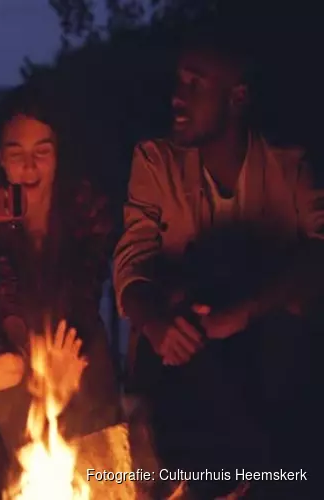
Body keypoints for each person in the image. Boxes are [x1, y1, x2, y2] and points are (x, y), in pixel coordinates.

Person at [113, 24, 321, 498]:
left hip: (265, 359)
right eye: (177, 82)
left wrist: (239, 314)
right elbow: (132, 261)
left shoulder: (289, 165)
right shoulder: (155, 161)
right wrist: (156, 323)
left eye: (195, 83)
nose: (176, 97)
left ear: (237, 96)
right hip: (179, 356)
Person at [0, 81, 122, 455]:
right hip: (12, 335)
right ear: (0, 157)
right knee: (0, 384)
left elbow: (85, 285)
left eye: (42, 152)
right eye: (16, 153)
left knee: (99, 443)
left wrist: (62, 357)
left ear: (58, 154)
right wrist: (26, 361)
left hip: (74, 332)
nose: (29, 166)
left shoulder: (86, 204)